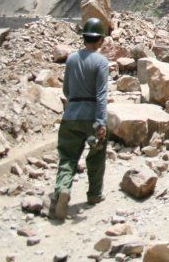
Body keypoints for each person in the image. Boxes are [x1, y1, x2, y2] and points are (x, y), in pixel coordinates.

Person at [48, 17, 109, 220]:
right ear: (99, 39)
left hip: (71, 117)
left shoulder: (72, 59)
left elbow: (66, 90)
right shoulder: (101, 62)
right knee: (96, 154)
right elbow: (101, 95)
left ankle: (62, 189)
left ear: (84, 37)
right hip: (92, 119)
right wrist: (101, 122)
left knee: (67, 157)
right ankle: (94, 194)